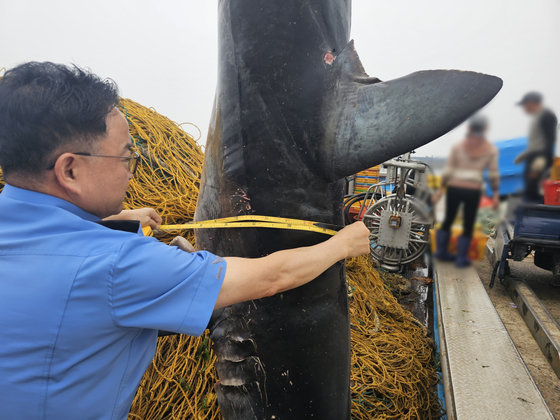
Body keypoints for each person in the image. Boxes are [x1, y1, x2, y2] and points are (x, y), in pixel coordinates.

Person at [0, 62, 371, 420]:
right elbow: (271, 277)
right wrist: (343, 244)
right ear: (70, 170)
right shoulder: (118, 265)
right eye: (127, 156)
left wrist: (114, 220)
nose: (131, 171)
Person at [433, 115, 499, 267]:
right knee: (468, 224)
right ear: (484, 129)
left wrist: (440, 190)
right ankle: (461, 259)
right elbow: (493, 174)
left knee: (448, 221)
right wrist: (495, 194)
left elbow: (448, 170)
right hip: (472, 190)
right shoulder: (490, 149)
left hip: (455, 188)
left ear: (469, 128)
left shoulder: (458, 146)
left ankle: (441, 252)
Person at [514, 91, 558, 202]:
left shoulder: (547, 116)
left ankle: (538, 214)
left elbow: (550, 139)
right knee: (529, 187)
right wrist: (525, 154)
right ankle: (529, 211)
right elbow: (537, 141)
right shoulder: (537, 116)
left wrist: (543, 158)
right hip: (534, 155)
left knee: (534, 187)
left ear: (531, 103)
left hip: (540, 157)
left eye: (524, 105)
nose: (524, 108)